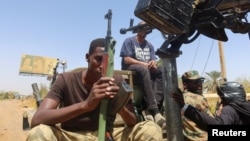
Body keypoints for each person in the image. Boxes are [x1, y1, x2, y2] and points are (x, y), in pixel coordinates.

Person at [26, 38, 163, 141]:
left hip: (108, 134)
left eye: (107, 62)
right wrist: (86, 105)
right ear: (87, 57)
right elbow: (38, 119)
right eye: (98, 59)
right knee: (38, 133)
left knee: (151, 129)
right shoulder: (66, 80)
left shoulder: (118, 80)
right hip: (71, 136)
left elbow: (132, 122)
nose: (103, 67)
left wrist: (118, 106)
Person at [119, 21, 165, 126]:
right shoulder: (129, 41)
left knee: (161, 71)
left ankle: (153, 106)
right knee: (143, 69)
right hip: (131, 68)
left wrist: (153, 63)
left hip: (144, 70)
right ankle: (155, 110)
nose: (144, 31)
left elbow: (153, 59)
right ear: (137, 29)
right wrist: (143, 63)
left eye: (146, 29)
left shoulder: (150, 45)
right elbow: (126, 59)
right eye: (142, 28)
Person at [173, 81, 250, 132]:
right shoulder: (246, 107)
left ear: (229, 96)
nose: (221, 101)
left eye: (222, 98)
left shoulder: (230, 109)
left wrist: (185, 107)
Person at [180, 70, 214, 141]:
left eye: (200, 81)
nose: (200, 84)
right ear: (185, 84)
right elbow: (211, 122)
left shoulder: (178, 98)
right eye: (196, 82)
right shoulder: (199, 99)